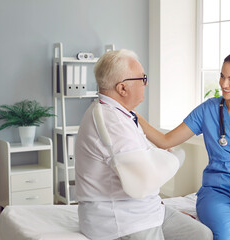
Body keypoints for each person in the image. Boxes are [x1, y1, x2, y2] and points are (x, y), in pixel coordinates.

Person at [138, 51, 230, 240]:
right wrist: (136, 116)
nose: (224, 84)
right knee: (224, 236)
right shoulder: (208, 110)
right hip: (217, 190)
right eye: (222, 76)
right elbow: (166, 141)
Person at [74, 49, 213, 240]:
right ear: (122, 88)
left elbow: (140, 156)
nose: (146, 84)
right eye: (142, 78)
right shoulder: (110, 122)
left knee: (202, 235)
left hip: (147, 209)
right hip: (123, 220)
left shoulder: (122, 113)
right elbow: (143, 181)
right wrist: (175, 158)